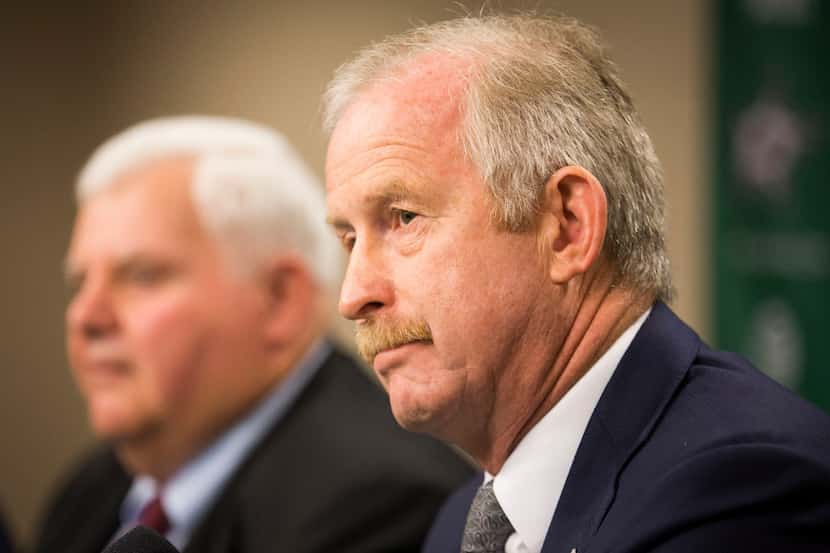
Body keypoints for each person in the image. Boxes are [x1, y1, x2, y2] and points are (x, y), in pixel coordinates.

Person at [322, 13, 830, 553]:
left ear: (567, 227)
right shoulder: (458, 527)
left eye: (403, 218)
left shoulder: (742, 491)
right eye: (350, 239)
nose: (354, 297)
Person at [34, 116, 473, 553]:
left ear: (280, 300)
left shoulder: (383, 506)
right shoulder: (90, 492)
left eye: (142, 276)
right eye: (79, 284)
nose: (86, 317)